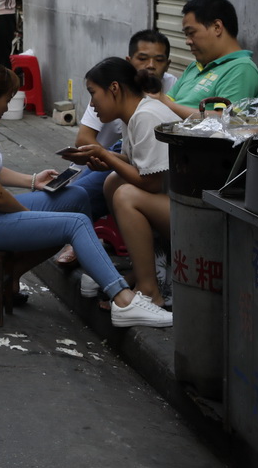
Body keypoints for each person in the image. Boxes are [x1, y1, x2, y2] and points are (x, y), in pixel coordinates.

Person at [0, 61, 172, 327]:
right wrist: (33, 220)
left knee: (75, 197)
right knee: (73, 222)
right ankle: (123, 300)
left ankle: (93, 265)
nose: (7, 107)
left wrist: (34, 181)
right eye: (7, 100)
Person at [69, 57, 180, 311]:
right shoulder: (135, 114)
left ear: (115, 89)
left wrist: (106, 155)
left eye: (93, 93)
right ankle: (146, 275)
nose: (92, 103)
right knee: (113, 182)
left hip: (188, 215)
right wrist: (100, 156)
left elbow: (150, 183)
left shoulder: (146, 115)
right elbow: (136, 163)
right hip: (169, 204)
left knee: (125, 195)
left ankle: (150, 292)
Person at [156, 0, 258, 118]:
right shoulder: (194, 67)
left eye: (191, 33)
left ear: (217, 27)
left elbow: (225, 120)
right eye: (186, 35)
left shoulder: (241, 69)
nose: (188, 41)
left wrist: (165, 103)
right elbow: (166, 102)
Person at [75, 30, 177, 150]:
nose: (151, 65)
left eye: (159, 60)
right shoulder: (112, 88)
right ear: (128, 61)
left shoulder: (172, 85)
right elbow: (83, 139)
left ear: (167, 64)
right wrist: (106, 157)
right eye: (142, 58)